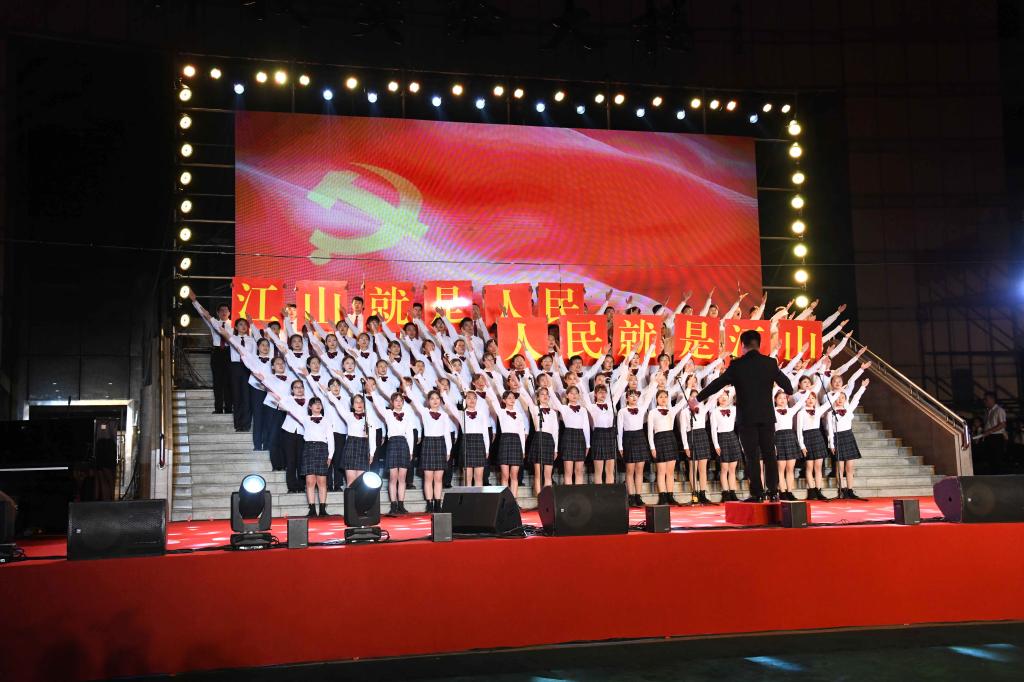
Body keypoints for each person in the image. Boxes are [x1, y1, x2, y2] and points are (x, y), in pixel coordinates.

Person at [693, 329, 795, 502]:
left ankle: (758, 494)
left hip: (747, 418)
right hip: (766, 417)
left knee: (752, 456)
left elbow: (717, 384)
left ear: (742, 346)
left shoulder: (737, 365)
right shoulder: (770, 363)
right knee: (770, 455)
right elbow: (789, 387)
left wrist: (697, 399)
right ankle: (773, 492)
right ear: (759, 344)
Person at [190, 293, 233, 414]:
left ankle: (229, 408)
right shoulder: (214, 322)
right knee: (217, 382)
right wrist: (194, 301)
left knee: (228, 382)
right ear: (218, 313)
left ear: (229, 312)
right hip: (217, 353)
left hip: (230, 353)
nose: (224, 312)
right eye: (221, 310)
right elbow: (203, 314)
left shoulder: (234, 325)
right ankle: (218, 408)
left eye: (226, 310)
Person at [827, 380, 870, 500]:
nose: (840, 399)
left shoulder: (849, 409)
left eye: (842, 397)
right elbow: (830, 429)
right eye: (838, 397)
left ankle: (850, 489)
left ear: (845, 399)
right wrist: (831, 444)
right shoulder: (831, 413)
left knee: (850, 467)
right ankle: (841, 489)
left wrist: (862, 387)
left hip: (848, 436)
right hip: (837, 437)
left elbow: (856, 398)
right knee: (839, 467)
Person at [980, 391, 1007, 474]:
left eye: (986, 399)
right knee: (990, 458)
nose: (984, 401)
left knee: (996, 459)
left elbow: (1003, 424)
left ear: (992, 399)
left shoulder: (999, 410)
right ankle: (993, 475)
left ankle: (998, 476)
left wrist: (990, 431)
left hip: (996, 437)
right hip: (989, 436)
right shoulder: (988, 411)